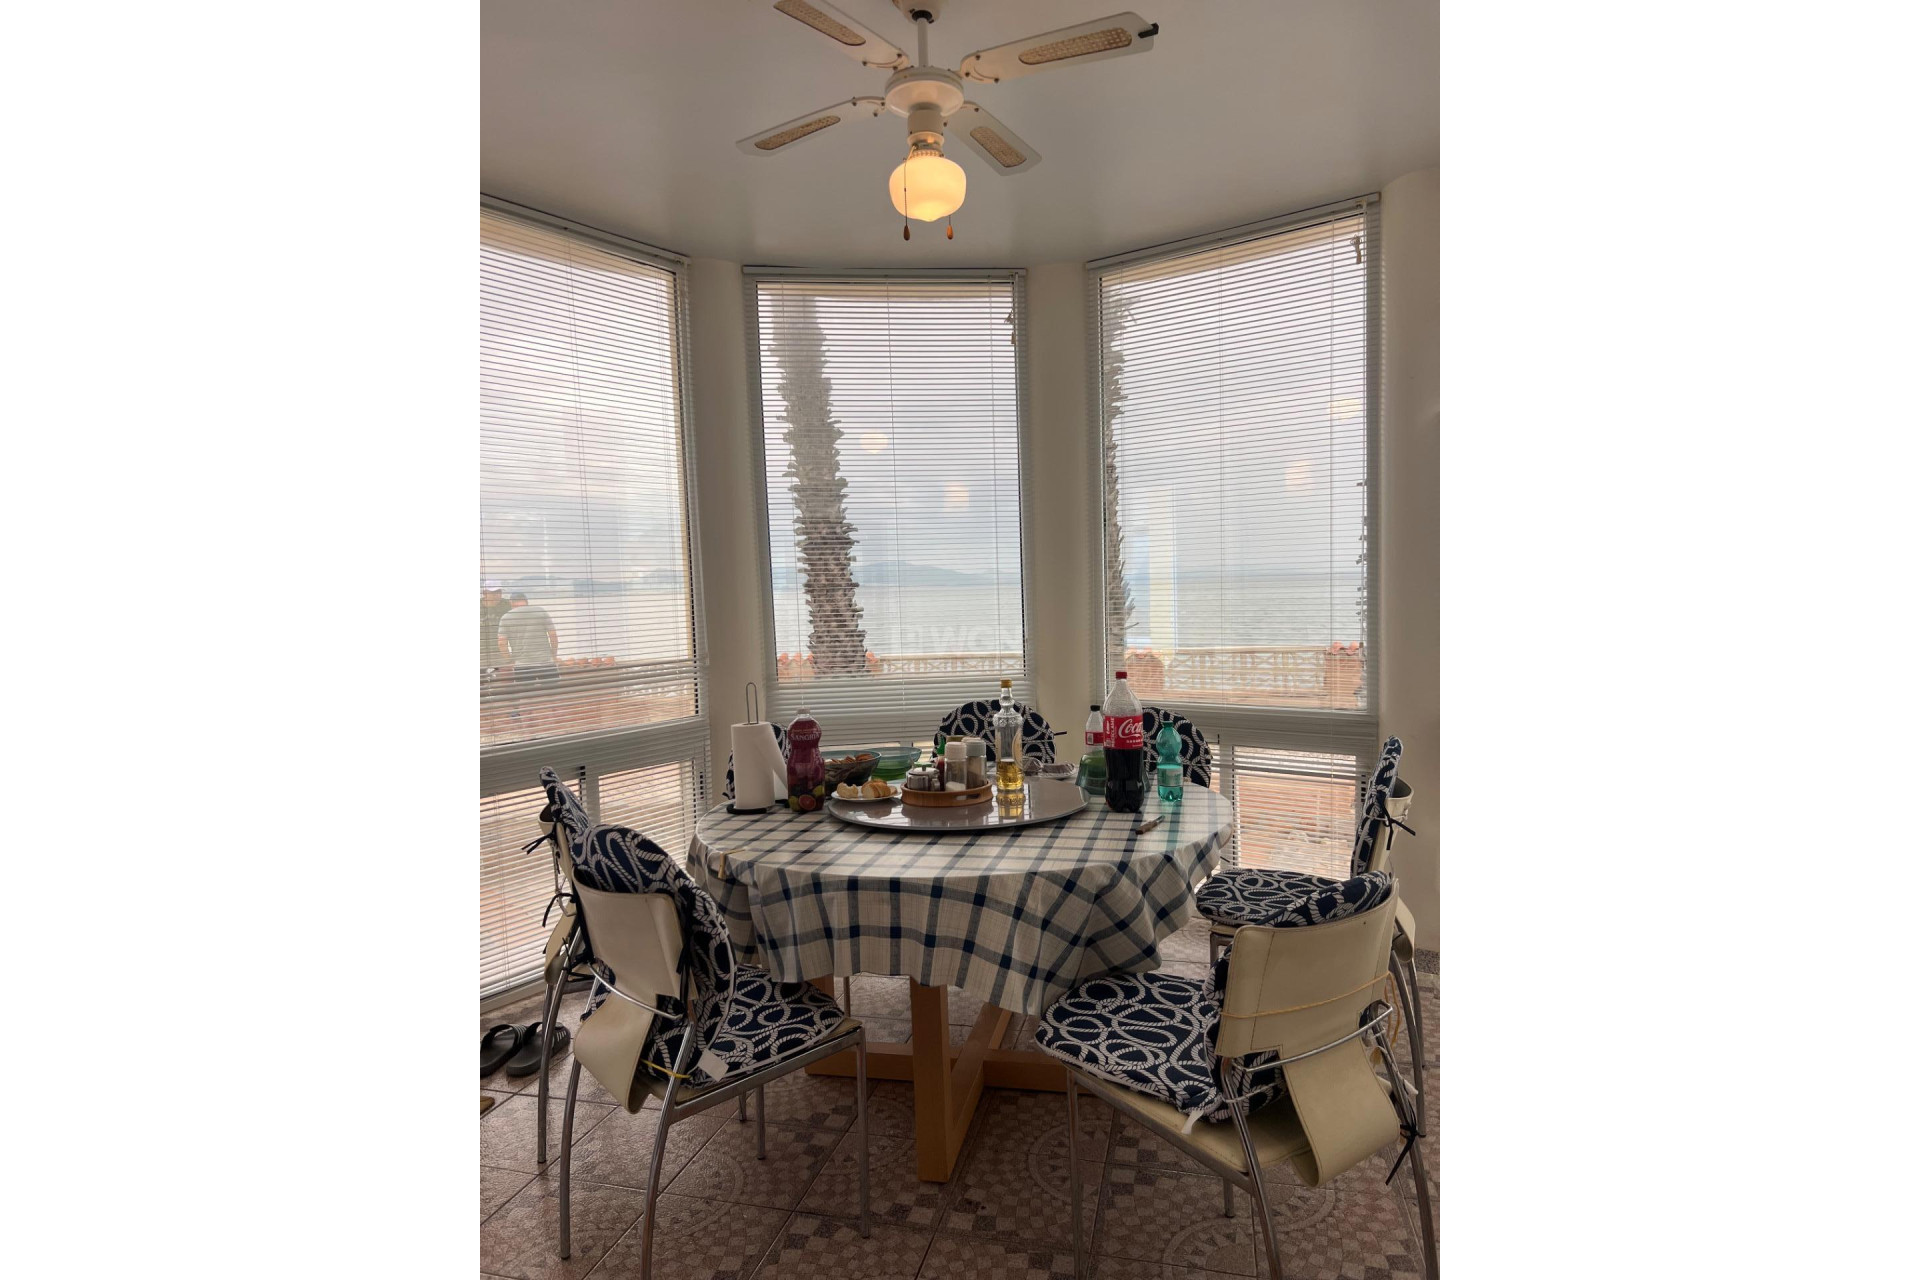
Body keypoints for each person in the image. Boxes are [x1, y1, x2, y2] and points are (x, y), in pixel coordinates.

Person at [496, 592, 559, 688]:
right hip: (545, 662)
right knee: (552, 692)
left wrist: (510, 660)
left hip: (522, 665)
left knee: (526, 695)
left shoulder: (506, 618)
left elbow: (501, 643)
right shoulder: (540, 612)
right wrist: (553, 655)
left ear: (511, 603)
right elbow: (553, 635)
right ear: (526, 601)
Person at [479, 581, 511, 669]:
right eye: (493, 592)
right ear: (484, 593)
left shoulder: (506, 605)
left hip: (500, 652)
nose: (497, 595)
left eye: (499, 592)